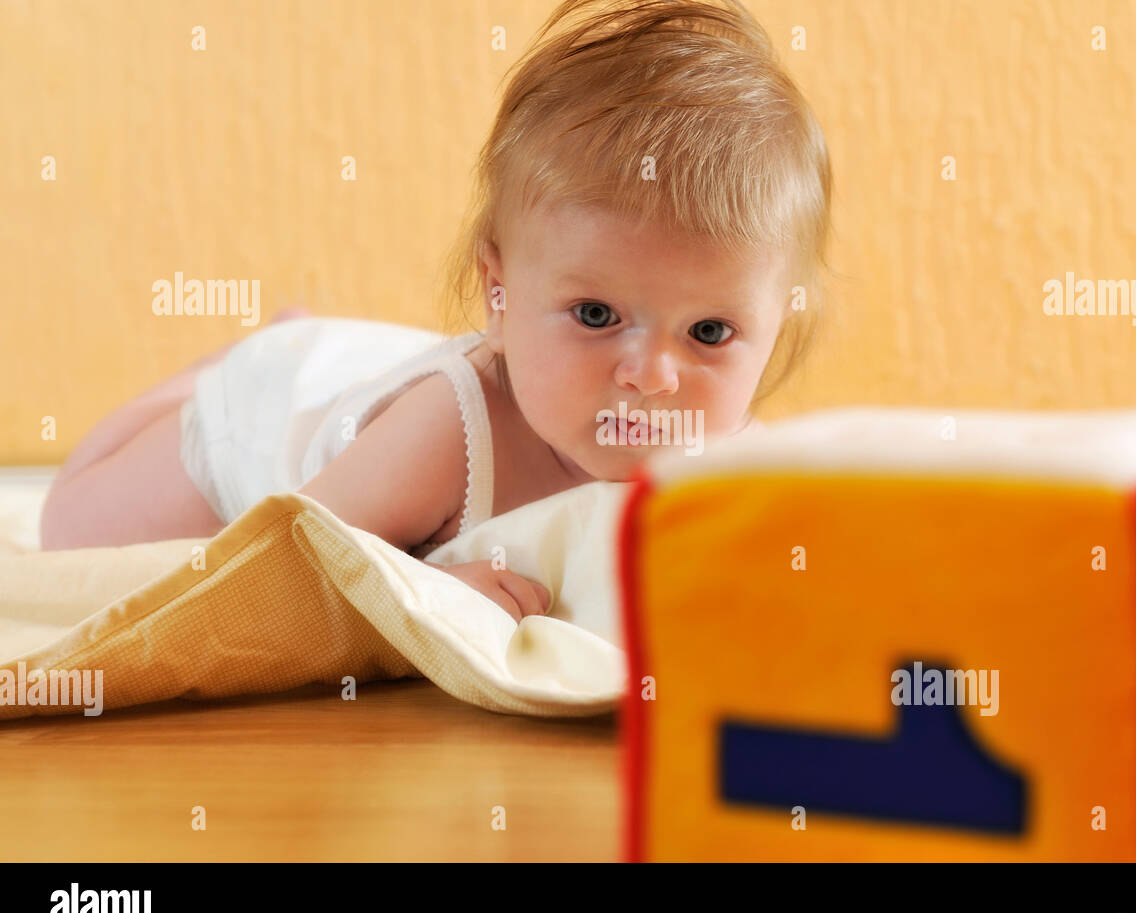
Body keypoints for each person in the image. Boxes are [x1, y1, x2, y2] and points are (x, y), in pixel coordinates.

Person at [39, 0, 832, 621]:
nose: (654, 376)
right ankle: (218, 370)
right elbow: (287, 561)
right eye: (596, 315)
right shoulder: (448, 435)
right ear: (500, 293)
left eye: (710, 332)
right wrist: (425, 587)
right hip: (270, 413)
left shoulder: (729, 457)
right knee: (71, 536)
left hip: (374, 372)